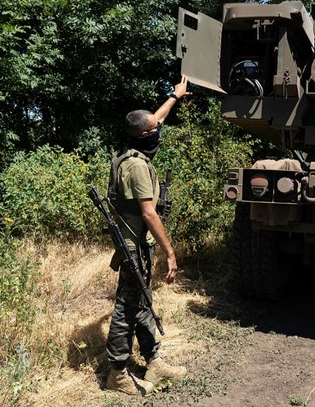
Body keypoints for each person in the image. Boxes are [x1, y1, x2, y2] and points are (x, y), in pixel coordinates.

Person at [104, 75, 191, 396]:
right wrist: (170, 252)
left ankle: (153, 361)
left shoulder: (134, 150)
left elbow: (157, 119)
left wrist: (175, 95)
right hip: (133, 246)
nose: (159, 131)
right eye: (154, 130)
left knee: (142, 301)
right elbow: (149, 213)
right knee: (127, 307)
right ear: (143, 136)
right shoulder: (137, 167)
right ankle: (116, 373)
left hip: (139, 245)